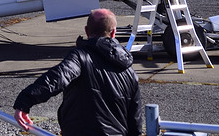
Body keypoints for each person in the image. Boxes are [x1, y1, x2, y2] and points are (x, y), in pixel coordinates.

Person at [13, 8, 142, 136]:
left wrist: (25, 101)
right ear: (113, 33)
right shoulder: (129, 71)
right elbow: (135, 121)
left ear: (86, 31)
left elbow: (57, 77)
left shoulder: (80, 57)